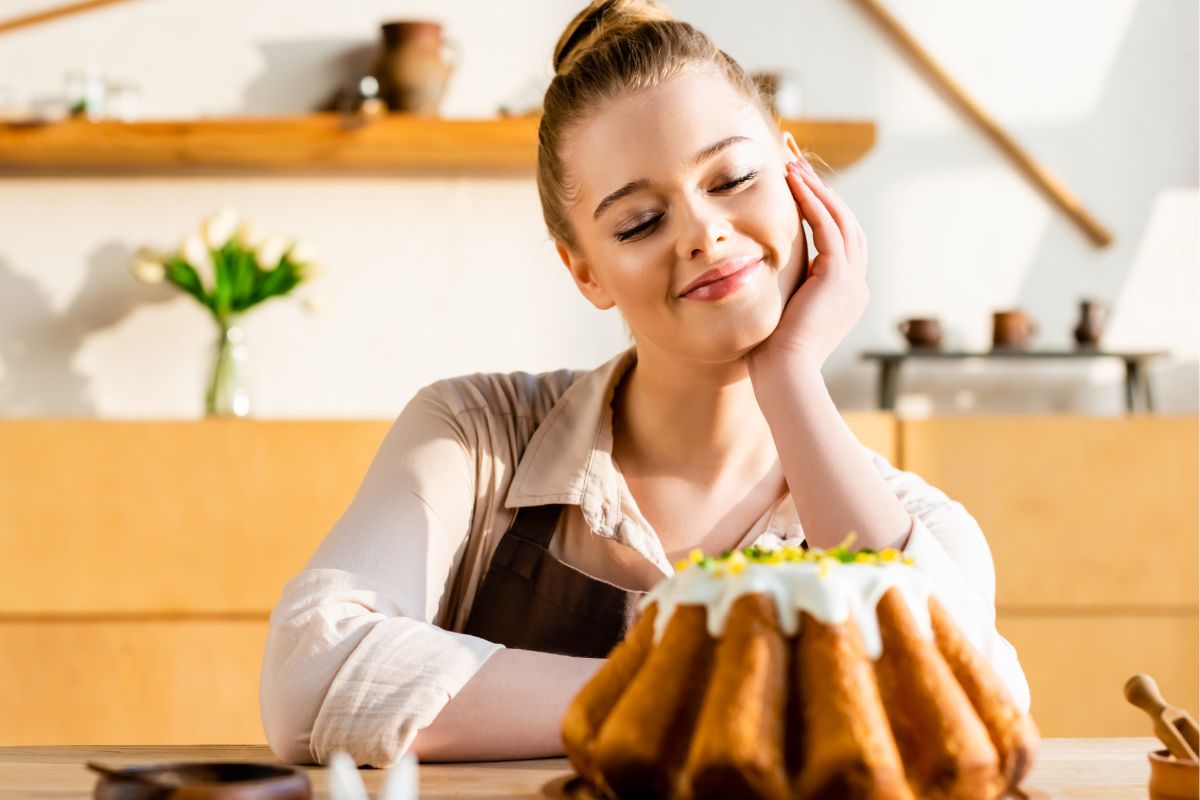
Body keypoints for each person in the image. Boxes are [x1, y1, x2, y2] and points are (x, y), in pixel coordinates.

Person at [260, 0, 1030, 767]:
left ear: (797, 174)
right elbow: (312, 673)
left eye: (733, 178)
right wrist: (692, 690)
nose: (703, 233)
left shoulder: (915, 524)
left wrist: (791, 378)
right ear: (585, 271)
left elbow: (965, 707)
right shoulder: (474, 435)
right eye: (638, 223)